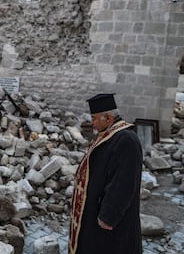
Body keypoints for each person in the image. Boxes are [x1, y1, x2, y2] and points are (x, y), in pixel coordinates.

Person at [68, 93, 143, 254]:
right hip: (94, 209)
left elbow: (124, 182)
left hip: (110, 220)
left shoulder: (127, 140)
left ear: (108, 118)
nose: (92, 123)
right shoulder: (109, 134)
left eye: (95, 118)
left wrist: (108, 216)